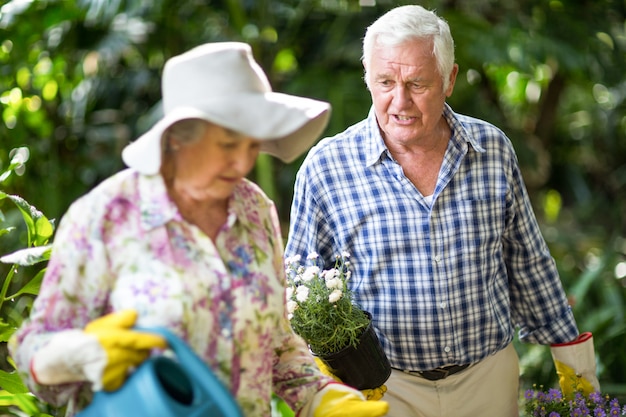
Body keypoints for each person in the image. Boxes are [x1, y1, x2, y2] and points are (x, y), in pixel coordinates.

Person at [9, 42, 389, 417]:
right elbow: (31, 353)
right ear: (176, 137)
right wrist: (78, 355)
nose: (242, 162)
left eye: (252, 145)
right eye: (227, 144)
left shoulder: (254, 209)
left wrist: (319, 396)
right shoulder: (107, 216)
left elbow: (275, 342)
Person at [284, 5, 599, 417]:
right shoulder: (326, 167)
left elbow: (527, 262)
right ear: (367, 76)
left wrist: (577, 381)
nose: (401, 101)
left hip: (487, 379)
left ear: (449, 80)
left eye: (417, 83)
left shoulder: (492, 151)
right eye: (385, 82)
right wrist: (319, 388)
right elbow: (297, 291)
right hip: (381, 388)